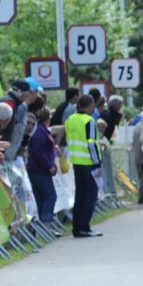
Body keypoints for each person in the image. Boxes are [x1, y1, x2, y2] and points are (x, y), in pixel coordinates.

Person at [64, 92, 103, 237]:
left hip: (76, 161)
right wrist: (97, 162)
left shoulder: (70, 119)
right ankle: (85, 227)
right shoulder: (89, 120)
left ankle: (77, 228)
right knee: (91, 195)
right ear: (90, 105)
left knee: (80, 195)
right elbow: (91, 143)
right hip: (88, 162)